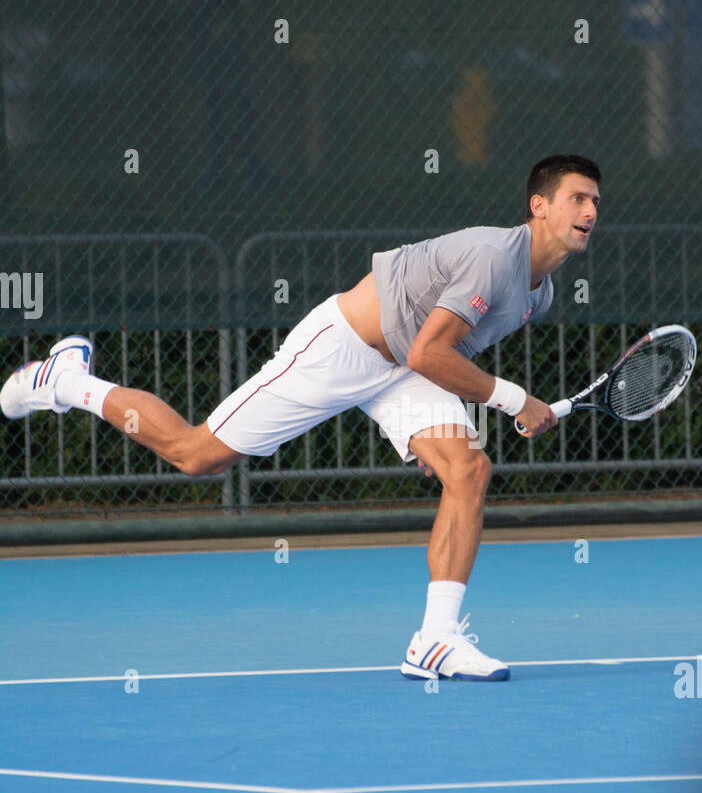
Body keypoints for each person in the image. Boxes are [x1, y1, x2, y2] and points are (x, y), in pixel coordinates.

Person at [1, 154, 600, 682]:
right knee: (196, 454)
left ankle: (434, 641)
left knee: (466, 470)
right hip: (342, 349)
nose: (590, 210)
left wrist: (428, 433)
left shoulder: (538, 293)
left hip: (405, 370)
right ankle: (69, 380)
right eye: (578, 197)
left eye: (596, 201)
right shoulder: (495, 256)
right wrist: (514, 399)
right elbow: (431, 351)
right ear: (538, 205)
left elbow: (440, 359)